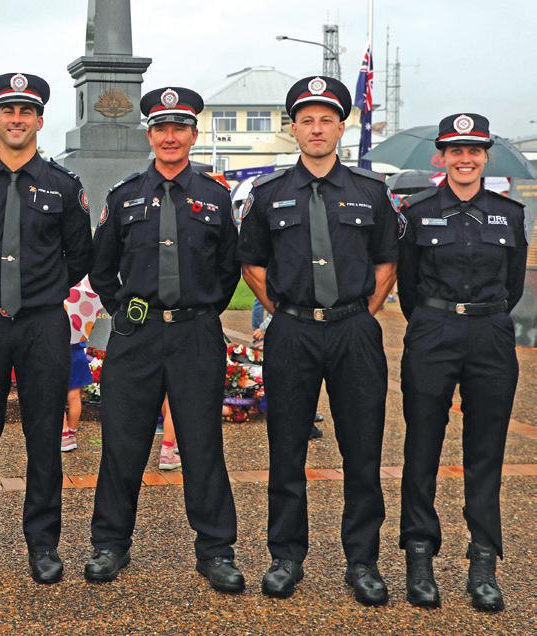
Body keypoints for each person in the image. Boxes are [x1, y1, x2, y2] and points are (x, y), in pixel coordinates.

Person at [237, 76, 399, 606]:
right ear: (293, 128)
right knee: (286, 448)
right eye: (306, 120)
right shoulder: (268, 195)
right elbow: (252, 264)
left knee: (362, 450)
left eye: (326, 119)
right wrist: (286, 313)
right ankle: (286, 557)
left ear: (341, 127)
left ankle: (363, 561)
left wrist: (359, 314)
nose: (316, 128)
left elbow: (386, 263)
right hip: (293, 331)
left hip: (354, 330)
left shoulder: (371, 192)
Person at [85, 86, 243, 593]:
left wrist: (200, 310)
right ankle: (110, 544)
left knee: (202, 443)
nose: (170, 137)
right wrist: (125, 311)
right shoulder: (124, 196)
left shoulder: (216, 197)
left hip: (195, 334)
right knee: (122, 442)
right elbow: (102, 267)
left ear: (193, 135)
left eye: (179, 128)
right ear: (149, 135)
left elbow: (229, 268)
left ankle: (216, 550)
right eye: (161, 128)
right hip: (138, 334)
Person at [0, 73, 93, 585]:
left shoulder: (63, 186)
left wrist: (39, 288)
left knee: (44, 436)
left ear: (39, 120)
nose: (16, 119)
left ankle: (43, 544)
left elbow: (79, 255)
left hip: (41, 323)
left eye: (26, 111)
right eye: (8, 111)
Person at [397, 113, 527, 612]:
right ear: (442, 157)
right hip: (433, 330)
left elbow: (513, 284)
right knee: (422, 447)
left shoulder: (508, 214)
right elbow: (408, 284)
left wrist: (481, 317)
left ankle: (483, 561)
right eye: (456, 150)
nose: (465, 159)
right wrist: (436, 320)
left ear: (485, 156)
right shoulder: (418, 211)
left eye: (474, 150)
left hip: (490, 333)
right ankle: (419, 555)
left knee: (486, 452)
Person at [61, 341, 92, 452]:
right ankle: (71, 435)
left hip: (61, 354)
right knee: (75, 398)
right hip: (77, 354)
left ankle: (63, 436)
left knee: (57, 397)